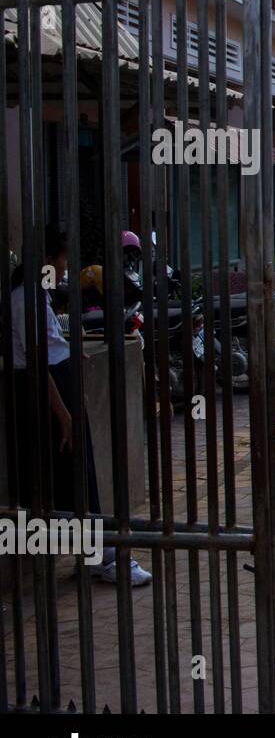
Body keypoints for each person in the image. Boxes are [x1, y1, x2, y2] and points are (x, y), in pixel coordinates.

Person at [10, 228, 151, 586]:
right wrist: (64, 413)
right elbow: (39, 362)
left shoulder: (35, 297)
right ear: (46, 261)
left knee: (74, 479)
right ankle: (103, 557)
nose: (64, 269)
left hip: (56, 387)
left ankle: (93, 554)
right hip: (49, 394)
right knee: (74, 480)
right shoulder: (25, 299)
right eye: (61, 261)